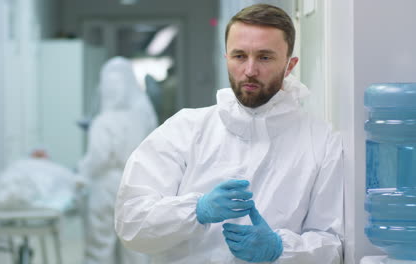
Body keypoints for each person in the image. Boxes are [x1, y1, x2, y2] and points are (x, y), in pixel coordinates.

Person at [115, 4, 343, 264]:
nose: (250, 70)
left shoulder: (321, 142)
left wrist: (280, 249)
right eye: (239, 56)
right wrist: (195, 210)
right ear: (226, 58)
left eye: (265, 57)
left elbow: (332, 245)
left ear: (290, 65)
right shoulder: (184, 130)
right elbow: (131, 224)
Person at [78, 57, 157, 264]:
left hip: (107, 186)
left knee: (100, 245)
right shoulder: (143, 116)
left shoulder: (103, 122)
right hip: (138, 184)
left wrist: (82, 172)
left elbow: (98, 159)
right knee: (136, 245)